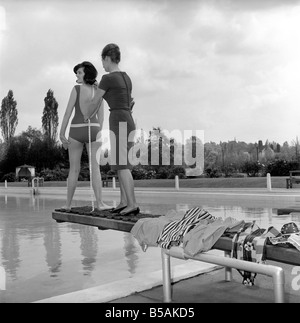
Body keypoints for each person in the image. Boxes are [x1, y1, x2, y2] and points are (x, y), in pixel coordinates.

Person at [88, 43, 139, 216]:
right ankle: (124, 202)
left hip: (118, 119)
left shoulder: (107, 78)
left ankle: (132, 203)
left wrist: (87, 113)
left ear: (107, 58)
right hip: (128, 118)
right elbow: (126, 99)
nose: (102, 65)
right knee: (121, 163)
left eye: (102, 61)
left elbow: (96, 101)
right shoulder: (126, 77)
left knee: (122, 164)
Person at [59, 61, 111, 211]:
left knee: (74, 169)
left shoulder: (76, 89)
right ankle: (100, 204)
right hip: (94, 129)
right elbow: (101, 117)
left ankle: (68, 205)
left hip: (76, 130)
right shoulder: (99, 90)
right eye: (77, 73)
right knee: (95, 169)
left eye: (80, 72)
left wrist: (61, 133)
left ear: (86, 74)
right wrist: (99, 132)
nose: (77, 75)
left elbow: (68, 113)